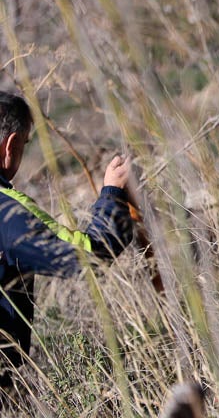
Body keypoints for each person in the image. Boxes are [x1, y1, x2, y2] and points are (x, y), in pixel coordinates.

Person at [0, 90, 135, 389]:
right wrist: (113, 193)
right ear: (10, 145)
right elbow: (86, 256)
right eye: (24, 144)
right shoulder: (6, 212)